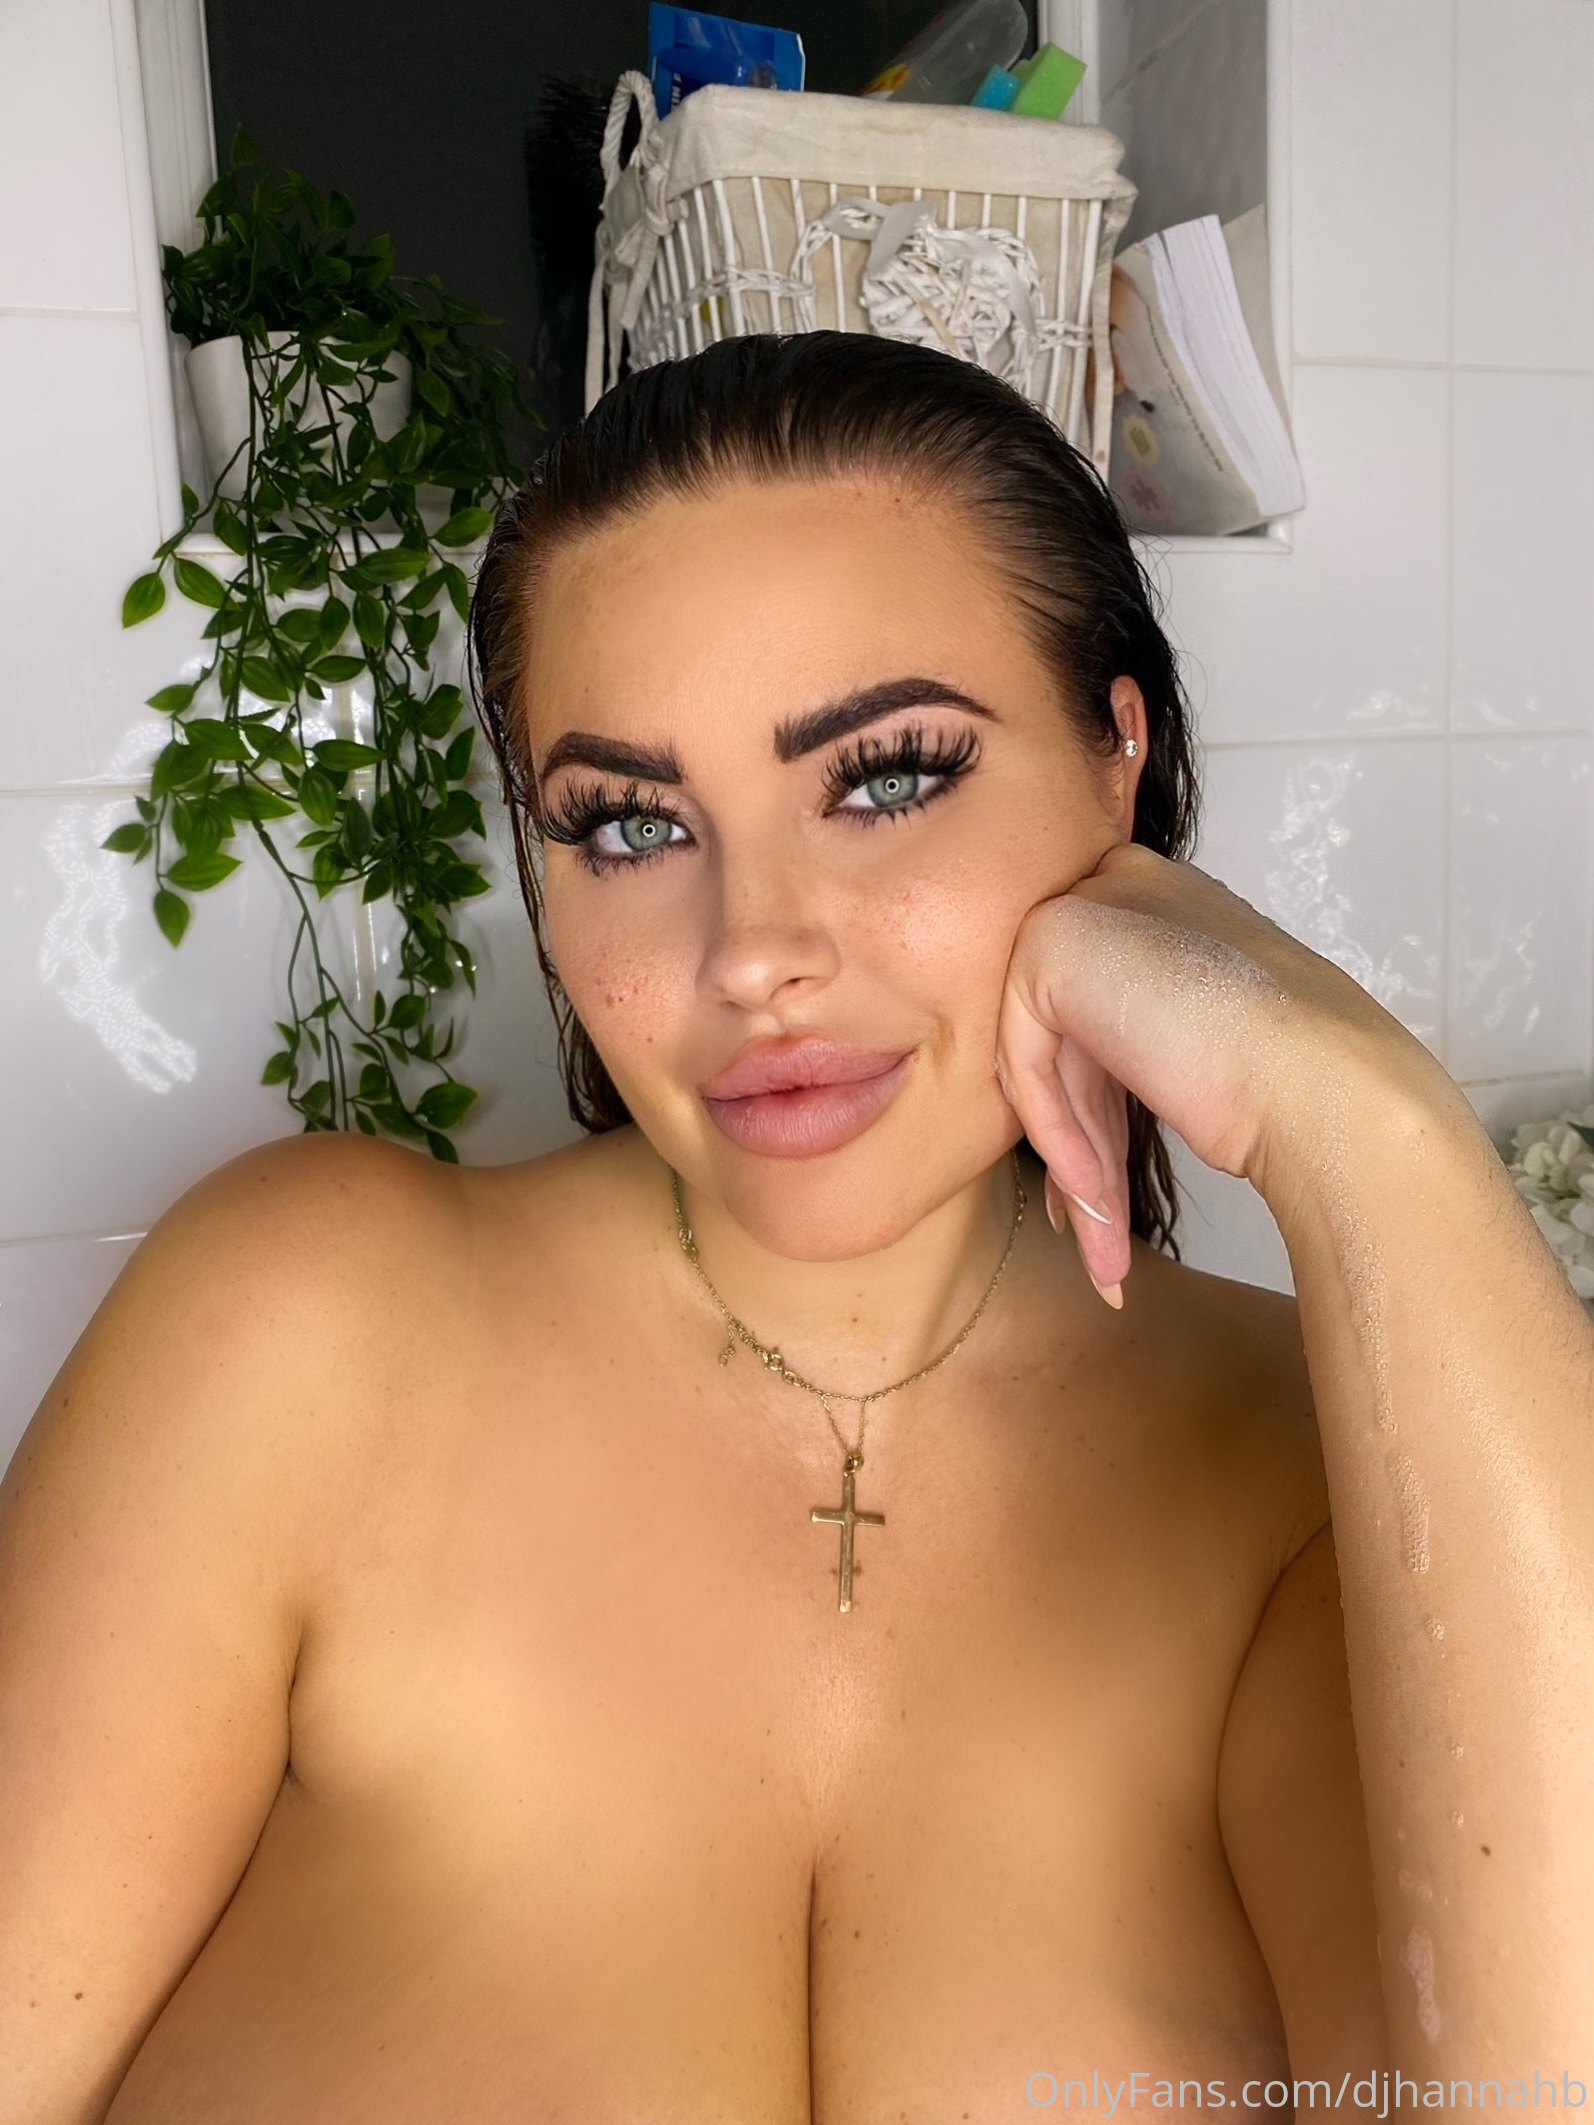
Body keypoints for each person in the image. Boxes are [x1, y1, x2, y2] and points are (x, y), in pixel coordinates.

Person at [2, 331, 1590, 2124]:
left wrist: (1366, 1131)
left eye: (887, 777)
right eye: (628, 825)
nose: (753, 948)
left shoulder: (1322, 1477)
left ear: (1113, 760)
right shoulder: (301, 1330)